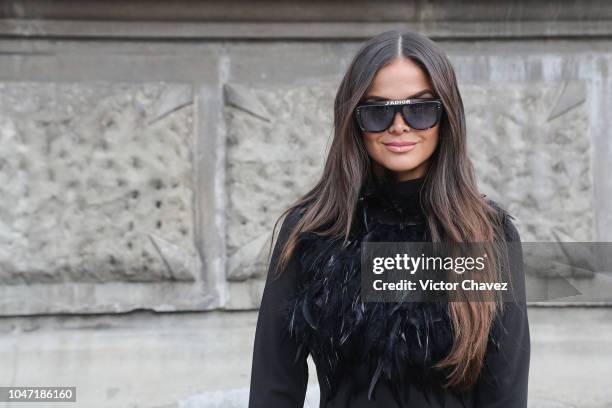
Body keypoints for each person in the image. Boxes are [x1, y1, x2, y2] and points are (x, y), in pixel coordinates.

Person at [248, 30, 530, 408]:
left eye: (421, 108)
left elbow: (504, 392)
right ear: (354, 121)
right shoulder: (310, 231)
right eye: (378, 110)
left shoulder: (488, 234)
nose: (399, 125)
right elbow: (274, 387)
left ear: (447, 117)